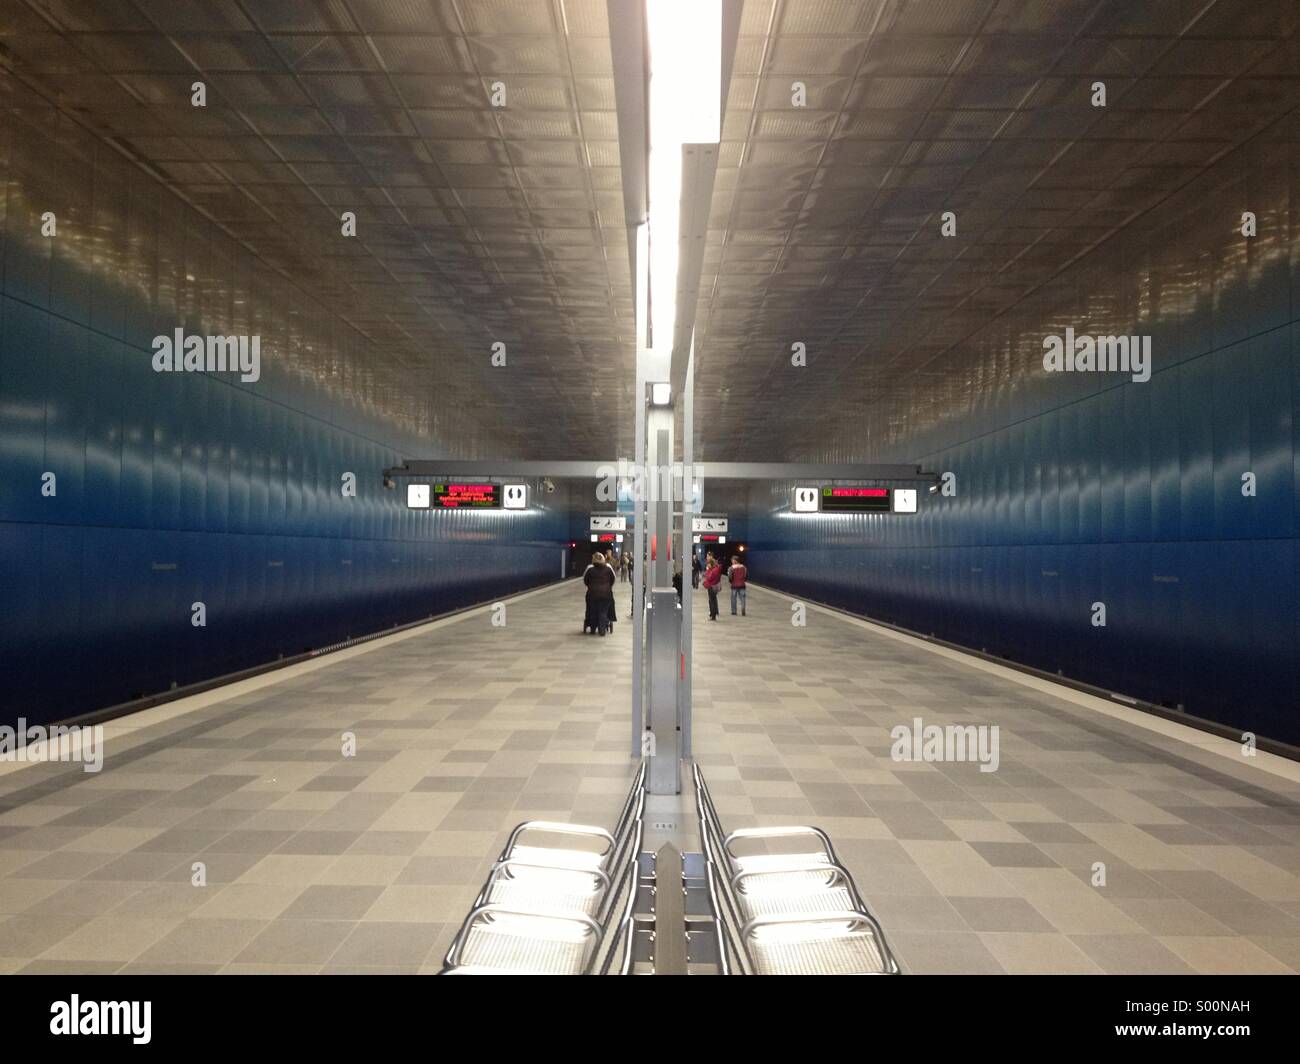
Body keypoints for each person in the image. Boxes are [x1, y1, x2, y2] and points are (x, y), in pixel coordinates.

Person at [583, 552, 616, 635]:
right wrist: (608, 586)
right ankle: (602, 629)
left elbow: (585, 580)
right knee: (603, 611)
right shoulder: (608, 568)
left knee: (593, 610)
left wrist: (590, 586)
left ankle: (593, 628)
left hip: (592, 594)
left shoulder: (590, 568)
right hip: (606, 594)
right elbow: (613, 579)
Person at [701, 552, 723, 621]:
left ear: (711, 564)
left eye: (708, 564)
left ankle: (713, 616)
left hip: (712, 587)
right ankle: (714, 613)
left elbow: (709, 578)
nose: (708, 565)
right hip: (713, 586)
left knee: (711, 601)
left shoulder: (714, 570)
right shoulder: (716, 569)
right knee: (713, 600)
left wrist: (707, 572)